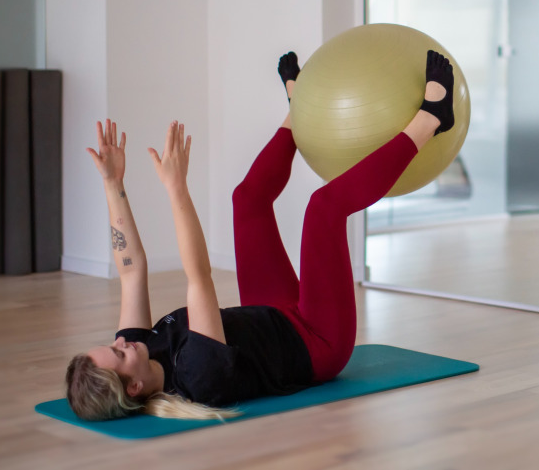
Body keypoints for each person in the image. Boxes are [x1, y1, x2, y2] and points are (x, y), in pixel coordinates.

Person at [65, 50, 455, 421]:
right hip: (315, 342)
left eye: (113, 344)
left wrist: (112, 183)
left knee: (247, 200)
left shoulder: (140, 349)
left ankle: (296, 114)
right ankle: (431, 119)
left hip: (269, 317)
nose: (122, 342)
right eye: (119, 354)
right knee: (324, 209)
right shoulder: (199, 375)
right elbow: (199, 276)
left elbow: (130, 271)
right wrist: (176, 188)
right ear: (134, 387)